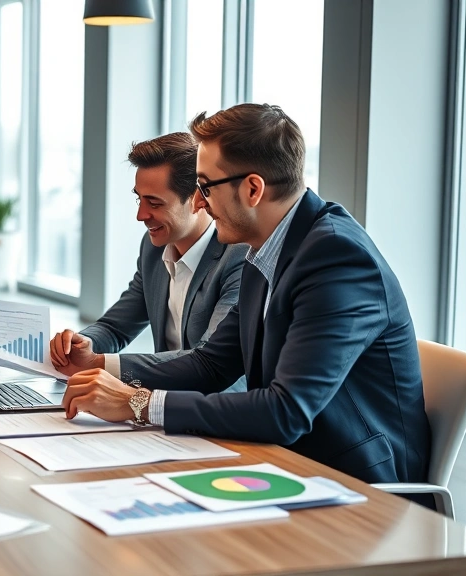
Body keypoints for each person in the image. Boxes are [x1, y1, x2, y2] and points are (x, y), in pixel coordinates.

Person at [62, 103, 431, 486]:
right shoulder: (268, 245)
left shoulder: (337, 259)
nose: (199, 202)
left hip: (354, 484)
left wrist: (137, 404)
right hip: (285, 462)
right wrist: (104, 375)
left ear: (253, 189)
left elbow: (285, 411)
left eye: (206, 187)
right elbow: (211, 364)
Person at [49, 133, 246, 392]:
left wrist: (99, 363)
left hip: (215, 408)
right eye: (139, 198)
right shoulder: (154, 248)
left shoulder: (238, 257)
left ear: (198, 199)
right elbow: (116, 327)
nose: (140, 215)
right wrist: (81, 344)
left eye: (154, 203)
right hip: (158, 402)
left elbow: (209, 362)